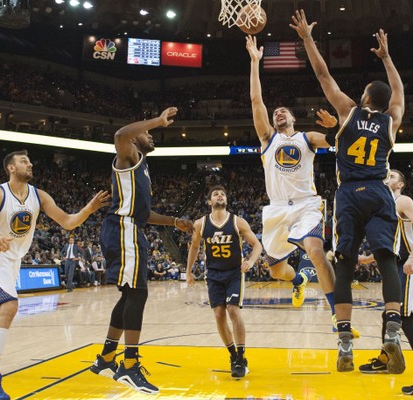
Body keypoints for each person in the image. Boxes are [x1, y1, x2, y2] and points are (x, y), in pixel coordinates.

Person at [0, 150, 110, 400]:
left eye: (29, 161)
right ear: (10, 168)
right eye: (23, 161)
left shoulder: (39, 196)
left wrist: (90, 208)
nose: (29, 164)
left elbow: (69, 222)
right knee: (8, 306)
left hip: (14, 261)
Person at [290, 10, 406, 373]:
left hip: (350, 195)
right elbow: (399, 93)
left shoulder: (349, 112)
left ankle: (343, 339)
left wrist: (308, 39)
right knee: (388, 260)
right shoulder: (391, 121)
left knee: (344, 264)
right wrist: (388, 58)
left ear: (366, 96)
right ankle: (391, 329)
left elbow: (323, 75)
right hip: (379, 189)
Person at [245, 35, 348, 336]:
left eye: (283, 111)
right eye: (275, 112)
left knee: (316, 250)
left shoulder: (307, 138)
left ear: (292, 118)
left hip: (306, 205)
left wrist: (337, 127)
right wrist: (255, 63)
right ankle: (297, 281)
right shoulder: (267, 139)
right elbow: (255, 101)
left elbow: (339, 140)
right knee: (276, 270)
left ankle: (337, 316)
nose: (277, 113)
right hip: (276, 210)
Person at [89, 108, 194, 395]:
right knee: (138, 292)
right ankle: (130, 365)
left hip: (130, 227)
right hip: (123, 229)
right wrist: (158, 121)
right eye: (146, 133)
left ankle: (107, 358)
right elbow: (121, 133)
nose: (150, 135)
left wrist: (174, 221)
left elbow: (145, 215)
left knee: (130, 293)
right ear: (136, 139)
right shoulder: (129, 154)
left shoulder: (143, 166)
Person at [357, 170, 413, 395]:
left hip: (411, 264)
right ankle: (386, 358)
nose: (388, 178)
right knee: (389, 314)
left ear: (401, 184)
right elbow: (391, 244)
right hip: (398, 264)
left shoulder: (402, 200)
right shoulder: (385, 206)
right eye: (386, 175)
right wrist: (367, 258)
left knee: (405, 319)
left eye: (393, 176)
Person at [186, 185, 263, 378]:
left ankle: (241, 355)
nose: (219, 196)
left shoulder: (237, 222)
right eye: (215, 194)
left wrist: (251, 261)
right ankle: (234, 355)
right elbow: (194, 248)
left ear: (226, 201)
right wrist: (188, 271)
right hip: (213, 274)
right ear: (209, 202)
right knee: (219, 314)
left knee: (233, 309)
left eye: (222, 194)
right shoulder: (201, 224)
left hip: (234, 273)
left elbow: (257, 245)